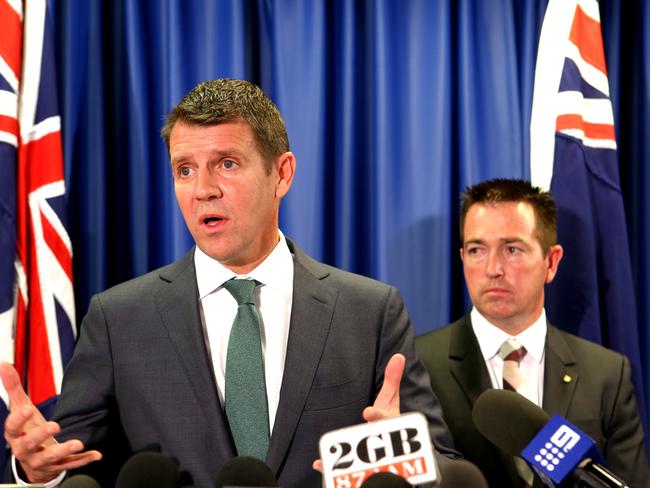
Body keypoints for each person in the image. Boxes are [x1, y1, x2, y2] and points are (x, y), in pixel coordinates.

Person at [1, 78, 457, 487]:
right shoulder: (119, 320)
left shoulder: (370, 312)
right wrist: (36, 473)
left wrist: (406, 457)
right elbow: (74, 462)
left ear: (281, 174)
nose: (203, 189)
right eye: (185, 169)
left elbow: (445, 464)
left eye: (226, 164)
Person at [416, 178, 650, 487]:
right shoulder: (419, 364)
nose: (492, 268)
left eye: (511, 249)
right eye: (476, 250)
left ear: (551, 262)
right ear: (462, 259)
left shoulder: (608, 373)